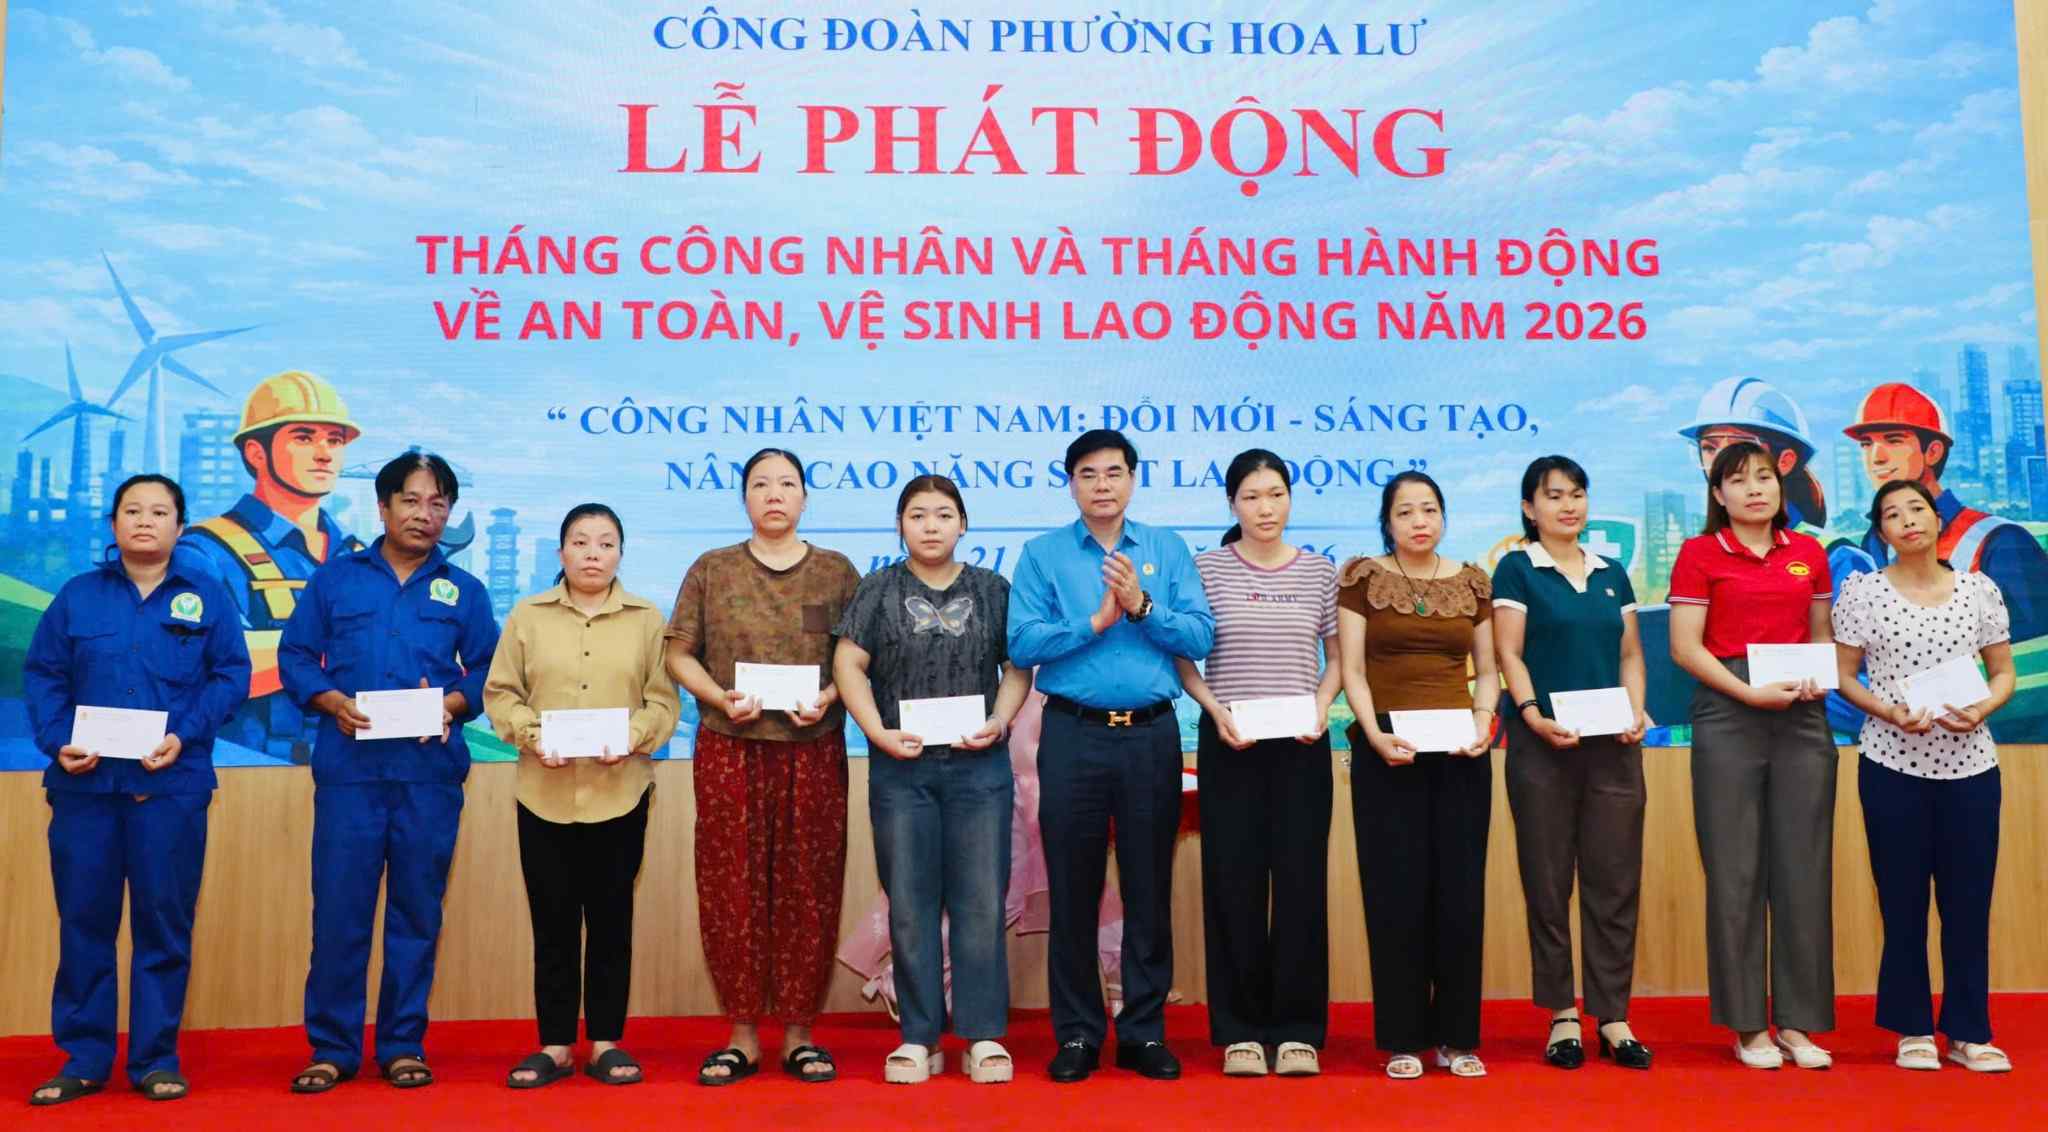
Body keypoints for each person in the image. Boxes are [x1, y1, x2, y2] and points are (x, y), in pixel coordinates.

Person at [23, 475, 251, 1106]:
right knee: (84, 926)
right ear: (113, 523)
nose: (145, 521)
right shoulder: (76, 598)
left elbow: (231, 677)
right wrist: (55, 738)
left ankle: (155, 1059)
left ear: (180, 527)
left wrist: (185, 733)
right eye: (132, 511)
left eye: (159, 512)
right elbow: (43, 674)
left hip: (170, 789)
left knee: (163, 926)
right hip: (85, 791)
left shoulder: (207, 597)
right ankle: (84, 1058)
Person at [281, 452, 500, 1093]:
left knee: (416, 915)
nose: (424, 515)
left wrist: (453, 705)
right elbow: (295, 655)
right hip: (349, 772)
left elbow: (489, 671)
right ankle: (332, 1048)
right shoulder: (336, 581)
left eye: (438, 504)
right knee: (341, 915)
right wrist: (329, 701)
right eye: (411, 500)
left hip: (428, 775)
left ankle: (403, 1044)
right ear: (383, 506)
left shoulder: (464, 591)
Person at [1007, 428, 1214, 1084]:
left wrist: (1142, 606)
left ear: (1132, 480)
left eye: (1114, 473)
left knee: (1150, 887)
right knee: (1074, 889)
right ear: (1071, 483)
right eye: (1088, 474)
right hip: (1072, 734)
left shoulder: (1166, 548)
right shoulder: (1042, 556)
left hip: (1151, 735)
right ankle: (1075, 1035)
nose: (1102, 484)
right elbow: (1021, 642)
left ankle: (1143, 1033)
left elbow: (1202, 632)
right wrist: (1095, 622)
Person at [665, 447, 861, 1086]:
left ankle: (800, 1034)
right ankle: (743, 1036)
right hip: (730, 746)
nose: (774, 494)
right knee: (731, 888)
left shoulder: (837, 573)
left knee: (810, 885)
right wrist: (717, 696)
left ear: (805, 497)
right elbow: (679, 655)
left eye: (787, 484)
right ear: (744, 498)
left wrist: (833, 697)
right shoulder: (712, 569)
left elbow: (857, 660)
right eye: (760, 484)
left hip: (814, 749)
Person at [833, 475, 1032, 1084]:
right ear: (900, 525)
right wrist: (876, 733)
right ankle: (919, 1037)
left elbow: (1017, 665)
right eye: (917, 515)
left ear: (964, 524)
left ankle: (982, 1037)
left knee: (978, 901)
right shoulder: (878, 589)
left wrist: (1000, 721)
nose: (930, 525)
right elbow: (848, 662)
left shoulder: (994, 589)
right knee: (912, 905)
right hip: (902, 769)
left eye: (944, 514)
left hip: (979, 769)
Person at [484, 503, 681, 1089]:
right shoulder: (528, 615)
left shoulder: (647, 618)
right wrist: (532, 735)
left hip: (621, 791)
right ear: (561, 553)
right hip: (542, 790)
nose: (593, 554)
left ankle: (605, 1043)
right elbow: (501, 693)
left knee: (612, 918)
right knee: (552, 920)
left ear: (621, 554)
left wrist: (634, 737)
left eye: (605, 544)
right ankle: (553, 1045)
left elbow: (663, 701)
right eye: (580, 542)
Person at [1831, 479, 2016, 1073]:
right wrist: (1888, 711)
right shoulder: (1863, 594)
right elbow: (1845, 677)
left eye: (1917, 509)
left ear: (1937, 521)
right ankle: (1912, 1029)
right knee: (1902, 902)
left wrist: (1983, 709)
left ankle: (1969, 1031)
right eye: (1892, 513)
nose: (1908, 520)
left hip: (1971, 769)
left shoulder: (1978, 590)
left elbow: (2004, 673)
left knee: (1968, 903)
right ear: (1880, 531)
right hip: (1891, 766)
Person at [1667, 440, 1837, 1070]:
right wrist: (1745, 691)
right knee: (1736, 872)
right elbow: (1685, 647)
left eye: (1764, 477)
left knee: (1803, 868)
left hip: (1801, 714)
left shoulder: (1809, 553)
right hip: (1728, 709)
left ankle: (1798, 1022)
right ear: (1718, 495)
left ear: (1780, 486)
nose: (1755, 489)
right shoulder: (1700, 553)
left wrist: (1819, 679)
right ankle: (1748, 1027)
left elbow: (1821, 639)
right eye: (1738, 481)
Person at [1174, 449, 1338, 1078]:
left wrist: (1322, 707)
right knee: (1233, 884)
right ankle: (1240, 1030)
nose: (1264, 508)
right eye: (1250, 496)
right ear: (1232, 504)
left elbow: (1338, 656)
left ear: (1290, 499)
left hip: (1301, 745)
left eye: (1275, 494)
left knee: (1300, 884)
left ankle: (1298, 1030)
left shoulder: (1321, 572)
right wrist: (1215, 711)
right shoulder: (1206, 569)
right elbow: (1185, 657)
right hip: (1231, 743)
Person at [1491, 456, 1653, 1072]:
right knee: (1549, 882)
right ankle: (1562, 1014)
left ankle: (1612, 1015)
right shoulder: (1517, 567)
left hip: (1613, 749)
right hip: (1543, 747)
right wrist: (1530, 714)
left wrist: (1636, 710)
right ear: (1530, 508)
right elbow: (1509, 652)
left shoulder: (1613, 573)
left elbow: (1631, 654)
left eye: (1578, 494)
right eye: (1553, 496)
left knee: (1615, 883)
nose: (1568, 505)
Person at [1336, 470, 1496, 1081]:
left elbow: (1486, 669)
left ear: (1443, 516)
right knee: (1395, 893)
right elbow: (1350, 667)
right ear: (1389, 521)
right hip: (1388, 753)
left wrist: (1483, 722)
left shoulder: (1472, 581)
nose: (1419, 521)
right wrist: (1374, 734)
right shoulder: (1362, 578)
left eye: (1429, 509)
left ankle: (1457, 1038)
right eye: (1405, 512)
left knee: (1459, 895)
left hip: (1460, 755)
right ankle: (1403, 1036)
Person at [174, 371, 366, 762]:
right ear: (255, 453)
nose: (325, 453)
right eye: (304, 437)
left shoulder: (360, 555)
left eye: (335, 440)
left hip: (356, 766)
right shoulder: (205, 552)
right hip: (252, 766)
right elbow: (207, 662)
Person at [1843, 381, 2048, 642]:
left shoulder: (2002, 541)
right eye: (1865, 444)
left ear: (1933, 452)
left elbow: (2036, 651)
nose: (1876, 457)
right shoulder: (1873, 542)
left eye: (1894, 441)